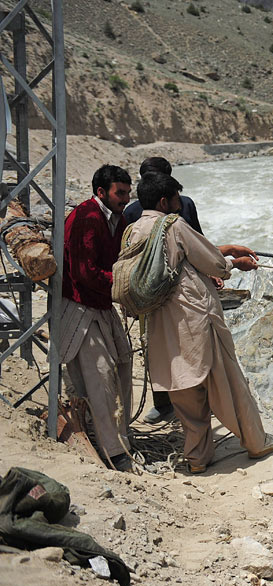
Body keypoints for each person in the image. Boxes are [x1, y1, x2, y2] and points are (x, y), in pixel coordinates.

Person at [125, 171, 273, 473]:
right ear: (163, 200)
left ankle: (197, 458)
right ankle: (256, 441)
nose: (178, 206)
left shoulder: (133, 230)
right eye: (175, 200)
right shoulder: (173, 225)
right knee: (227, 380)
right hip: (193, 315)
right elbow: (213, 263)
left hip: (159, 319)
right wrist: (236, 263)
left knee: (183, 387)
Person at [60, 165, 134, 471]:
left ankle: (123, 438)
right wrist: (125, 287)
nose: (126, 199)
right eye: (121, 193)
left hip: (102, 304)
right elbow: (84, 272)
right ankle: (113, 451)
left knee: (125, 362)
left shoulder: (117, 218)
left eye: (129, 193)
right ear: (101, 192)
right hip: (81, 308)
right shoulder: (85, 218)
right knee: (101, 376)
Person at [124, 157, 204, 425]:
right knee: (154, 346)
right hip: (151, 292)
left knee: (190, 344)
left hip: (185, 288)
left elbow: (199, 241)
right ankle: (164, 402)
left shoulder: (184, 204)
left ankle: (195, 401)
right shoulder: (133, 212)